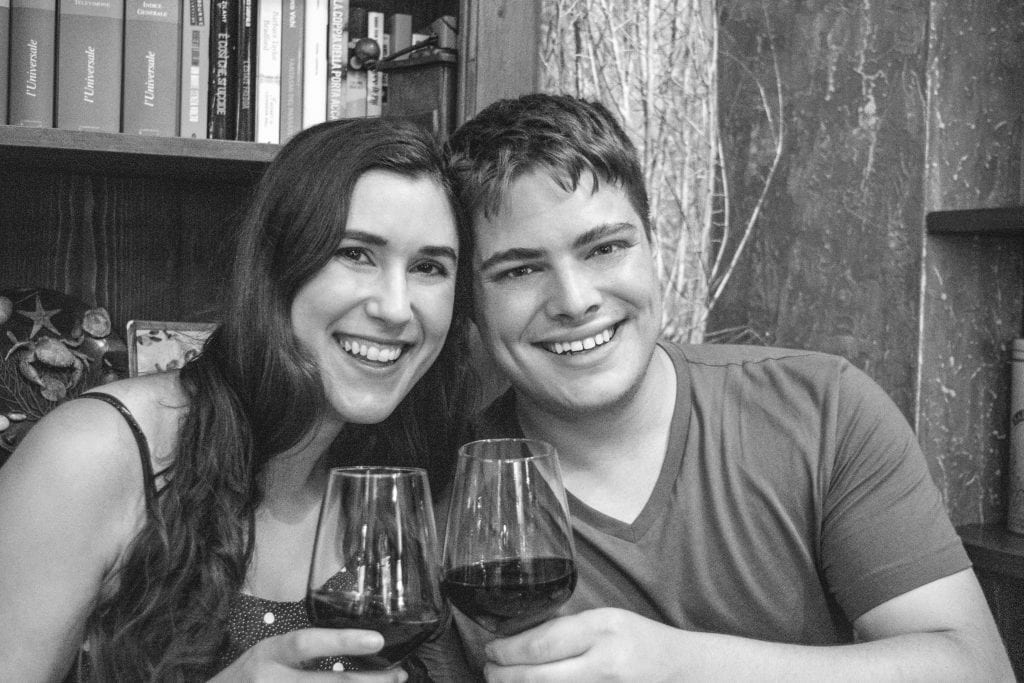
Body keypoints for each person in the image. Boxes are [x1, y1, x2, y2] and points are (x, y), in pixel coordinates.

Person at [420, 93, 1014, 681]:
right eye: (520, 270)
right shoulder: (436, 496)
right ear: (468, 302)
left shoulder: (823, 409)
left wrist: (680, 666)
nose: (575, 302)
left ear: (654, 249)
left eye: (605, 248)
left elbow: (978, 671)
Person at [0, 117, 474, 681]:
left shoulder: (417, 475)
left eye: (428, 268)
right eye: (355, 254)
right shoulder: (92, 452)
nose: (396, 309)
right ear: (274, 266)